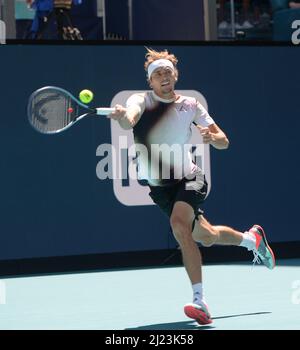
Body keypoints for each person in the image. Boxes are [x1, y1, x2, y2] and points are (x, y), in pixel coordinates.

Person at [107, 48, 275, 325]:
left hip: (190, 178)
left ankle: (200, 301)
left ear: (176, 76)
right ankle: (252, 240)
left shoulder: (191, 105)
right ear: (150, 81)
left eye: (168, 72)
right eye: (158, 74)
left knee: (179, 225)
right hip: (160, 188)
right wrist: (123, 115)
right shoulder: (139, 99)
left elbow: (224, 141)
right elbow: (129, 119)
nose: (164, 77)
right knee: (205, 236)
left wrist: (213, 137)